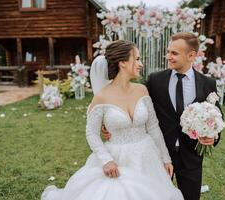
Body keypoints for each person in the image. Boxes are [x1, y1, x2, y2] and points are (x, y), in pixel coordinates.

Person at [41, 40, 184, 200]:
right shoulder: (101, 97)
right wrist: (106, 160)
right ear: (122, 62)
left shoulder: (142, 90)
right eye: (136, 59)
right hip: (118, 159)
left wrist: (165, 158)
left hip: (147, 156)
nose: (140, 64)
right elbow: (92, 133)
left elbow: (153, 127)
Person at [103, 33, 222, 200]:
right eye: (168, 52)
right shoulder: (155, 80)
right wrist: (110, 125)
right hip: (158, 155)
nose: (168, 57)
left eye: (174, 53)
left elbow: (216, 115)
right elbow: (135, 107)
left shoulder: (207, 83)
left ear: (191, 55)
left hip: (191, 157)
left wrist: (213, 136)